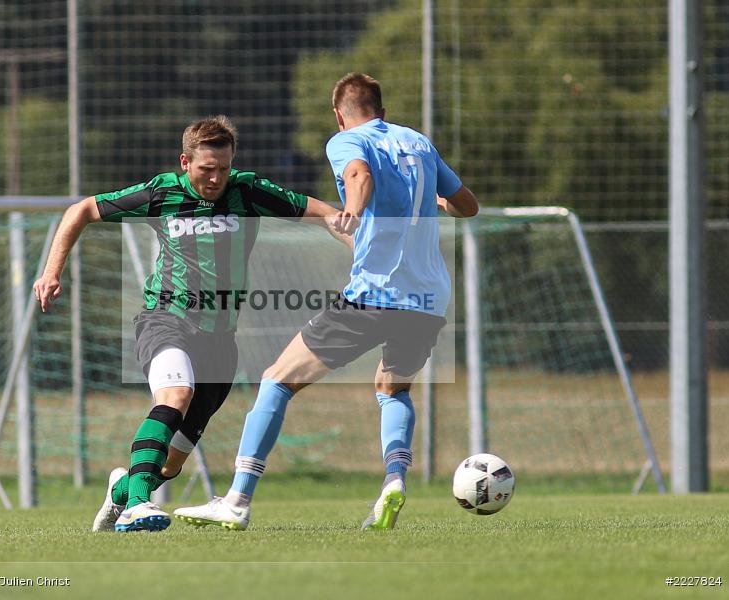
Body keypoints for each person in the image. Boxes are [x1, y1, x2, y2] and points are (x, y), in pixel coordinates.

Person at [174, 73, 478, 531]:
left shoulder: (345, 141)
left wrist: (353, 206)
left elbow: (360, 173)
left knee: (277, 380)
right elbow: (467, 205)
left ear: (340, 115)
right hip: (429, 299)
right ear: (383, 108)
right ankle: (393, 481)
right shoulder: (419, 142)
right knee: (392, 388)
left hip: (375, 294)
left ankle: (237, 499)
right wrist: (433, 200)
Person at [32, 115, 344, 533]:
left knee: (172, 461)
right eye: (206, 169)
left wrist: (359, 239)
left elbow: (321, 211)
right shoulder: (161, 192)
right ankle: (137, 505)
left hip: (221, 340)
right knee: (176, 392)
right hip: (166, 320)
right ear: (185, 161)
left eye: (223, 168)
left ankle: (124, 488)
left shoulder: (247, 191)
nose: (216, 178)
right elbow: (82, 210)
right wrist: (52, 272)